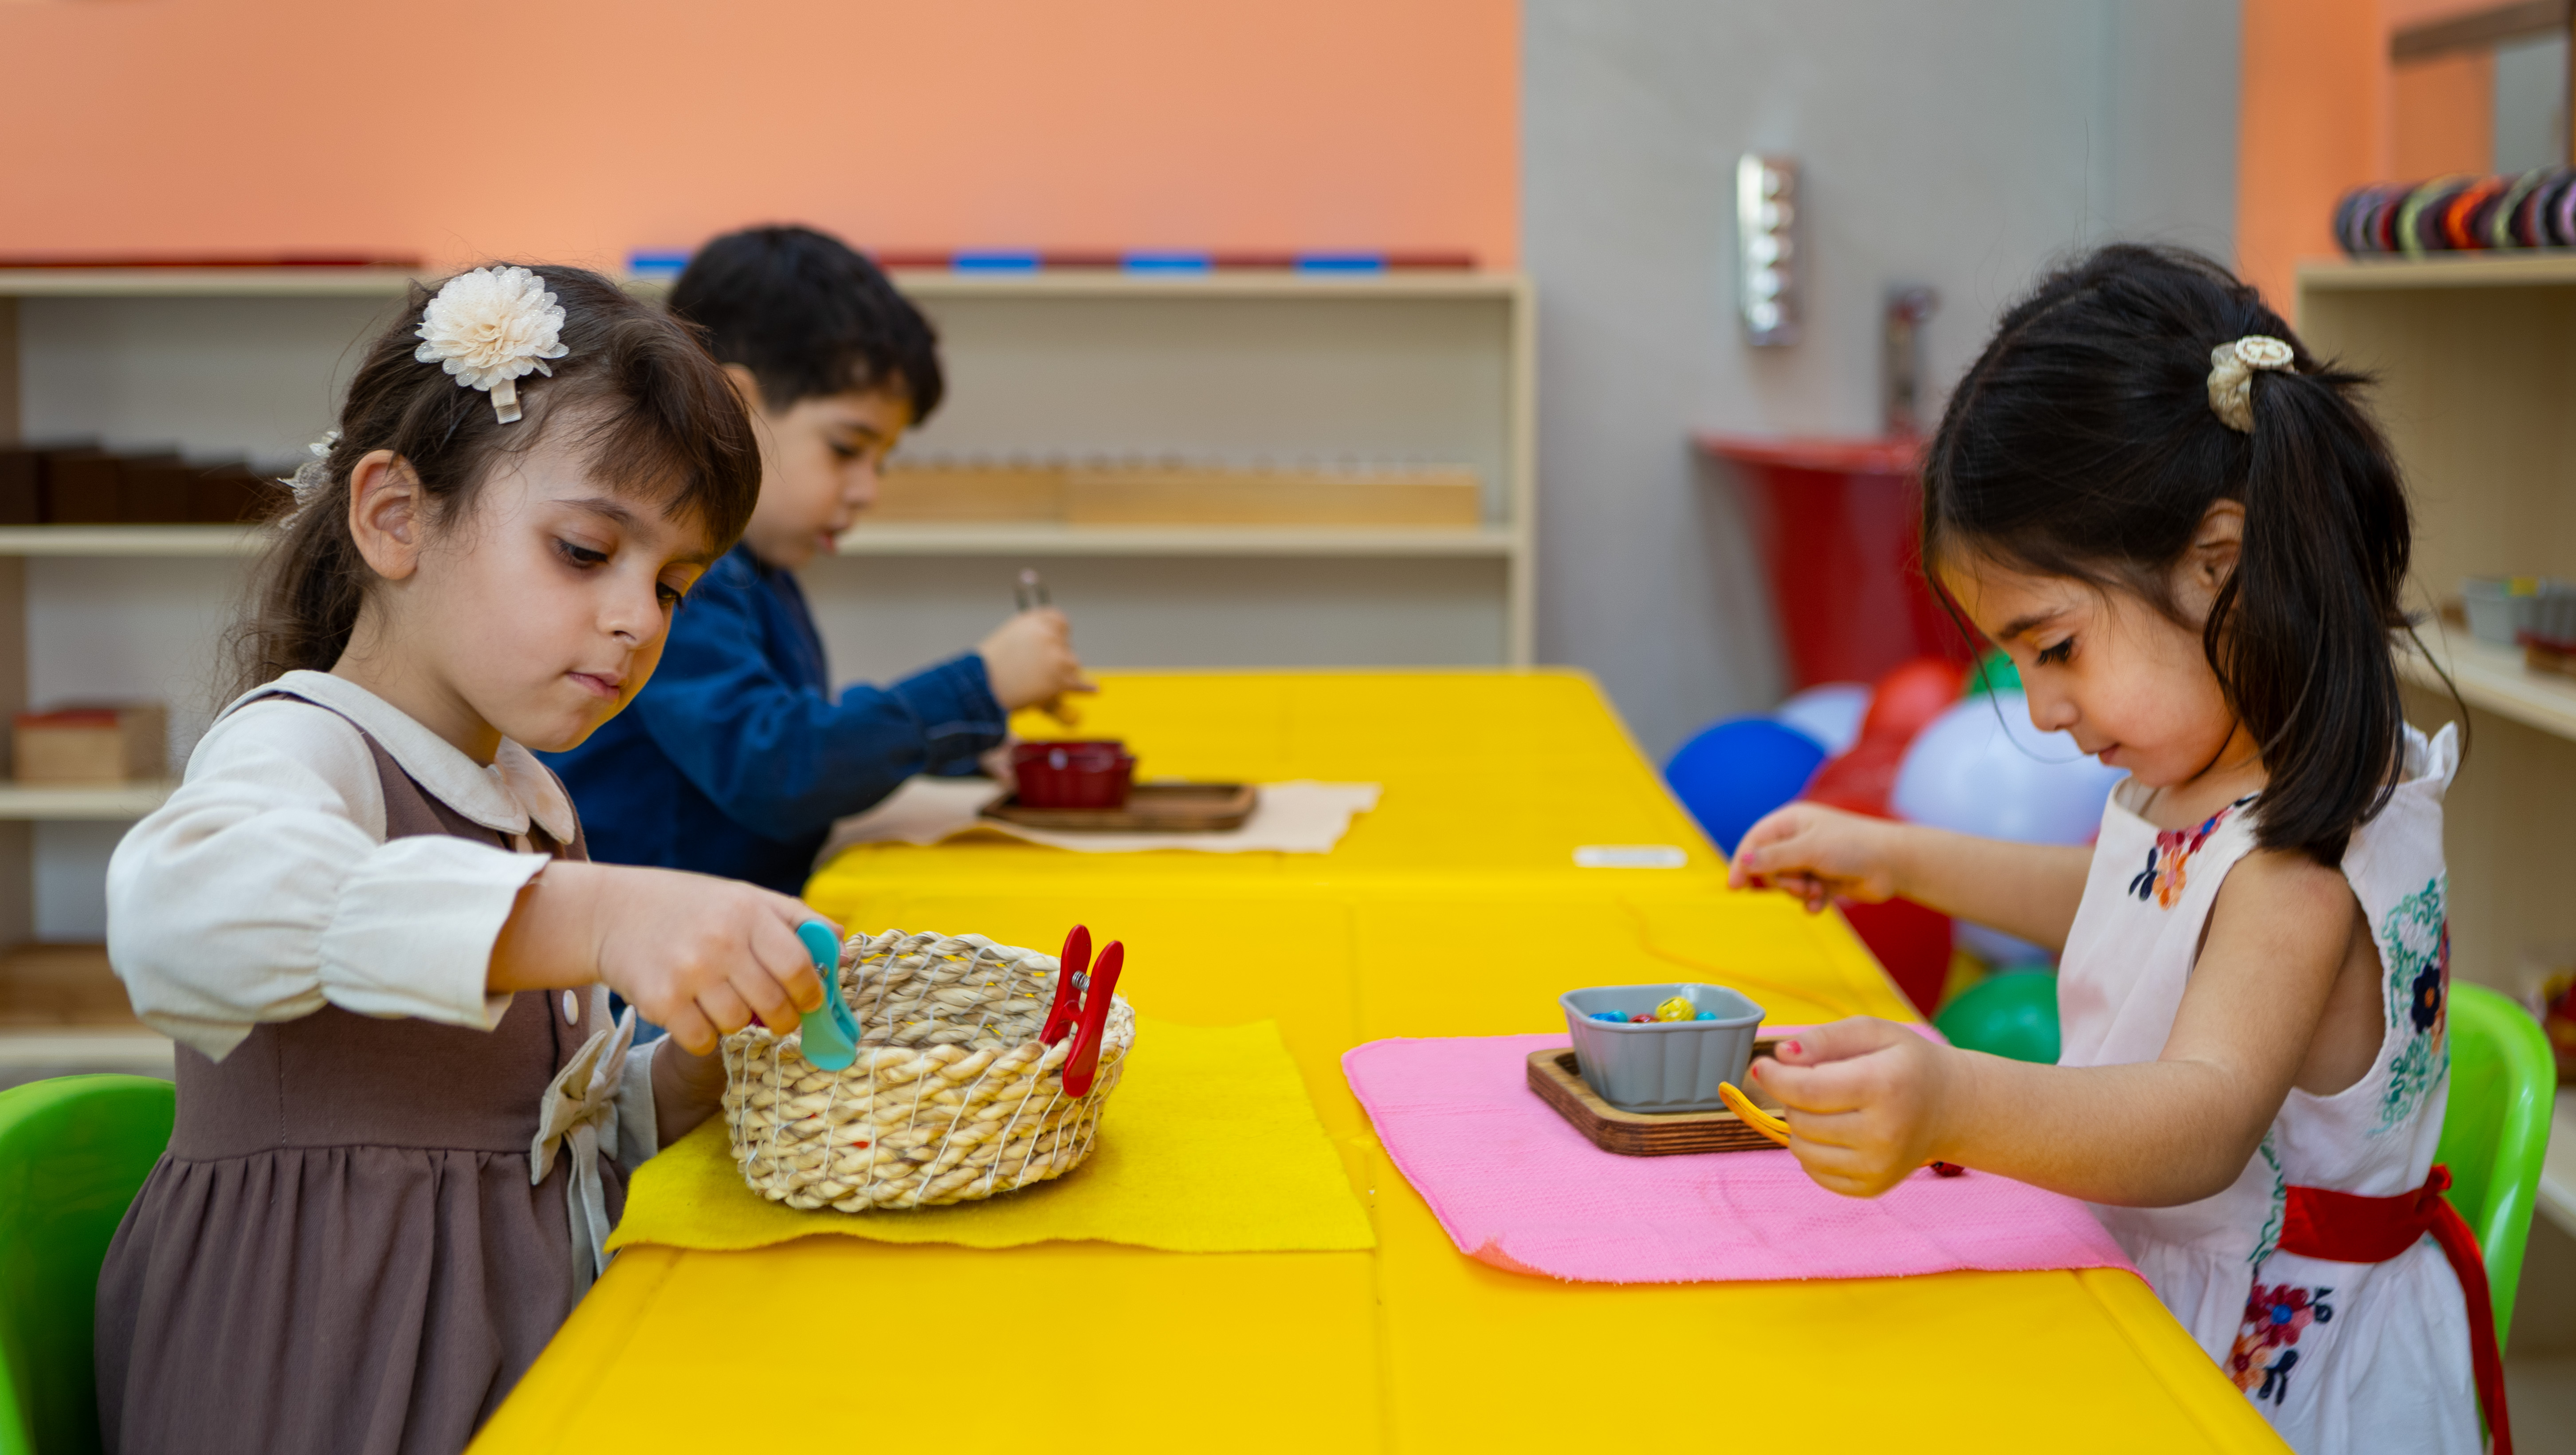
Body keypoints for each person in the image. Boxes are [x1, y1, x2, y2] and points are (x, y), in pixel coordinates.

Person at [1727, 245, 2489, 1454]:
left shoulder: (2299, 859)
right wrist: (1904, 859)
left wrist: (1954, 1100)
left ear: (2220, 565)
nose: (2038, 708)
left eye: (2056, 648)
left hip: (2280, 1382)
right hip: (2167, 1294)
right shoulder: (2211, 782)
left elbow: (2199, 1121)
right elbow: (2135, 906)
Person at [96, 264, 828, 1455]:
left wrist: (681, 1082)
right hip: (321, 1384)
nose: (640, 619)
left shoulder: (527, 796)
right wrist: (599, 917)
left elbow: (521, 1137)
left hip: (508, 1364)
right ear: (396, 517)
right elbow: (183, 914)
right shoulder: (303, 745)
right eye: (586, 551)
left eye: (673, 587)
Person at [543, 225, 1092, 897]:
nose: (868, 491)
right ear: (734, 407)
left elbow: (799, 729)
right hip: (655, 947)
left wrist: (960, 746)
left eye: (880, 462)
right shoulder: (683, 580)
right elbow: (776, 770)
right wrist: (978, 687)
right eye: (846, 449)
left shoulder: (761, 569)